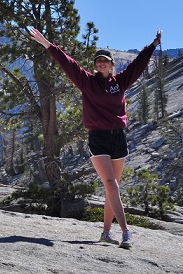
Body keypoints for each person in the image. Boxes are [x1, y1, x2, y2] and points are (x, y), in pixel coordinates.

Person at [29, 27, 162, 249]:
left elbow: (138, 65)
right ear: (96, 65)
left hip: (118, 138)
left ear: (112, 65)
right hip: (98, 139)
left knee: (114, 188)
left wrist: (153, 46)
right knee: (110, 184)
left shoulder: (121, 81)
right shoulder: (87, 81)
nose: (101, 63)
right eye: (98, 61)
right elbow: (67, 62)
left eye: (105, 61)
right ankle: (126, 232)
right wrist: (46, 44)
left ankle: (106, 232)